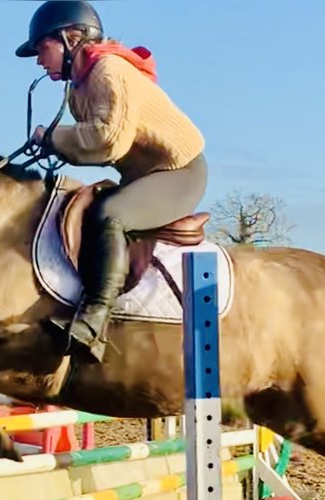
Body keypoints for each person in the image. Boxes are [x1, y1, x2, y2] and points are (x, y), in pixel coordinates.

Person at [16, 0, 208, 363]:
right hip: (146, 176)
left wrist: (54, 137)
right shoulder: (79, 89)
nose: (40, 60)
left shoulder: (109, 70)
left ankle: (92, 323)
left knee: (110, 214)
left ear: (70, 39)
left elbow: (108, 140)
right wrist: (51, 145)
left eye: (43, 49)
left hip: (179, 172)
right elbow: (89, 147)